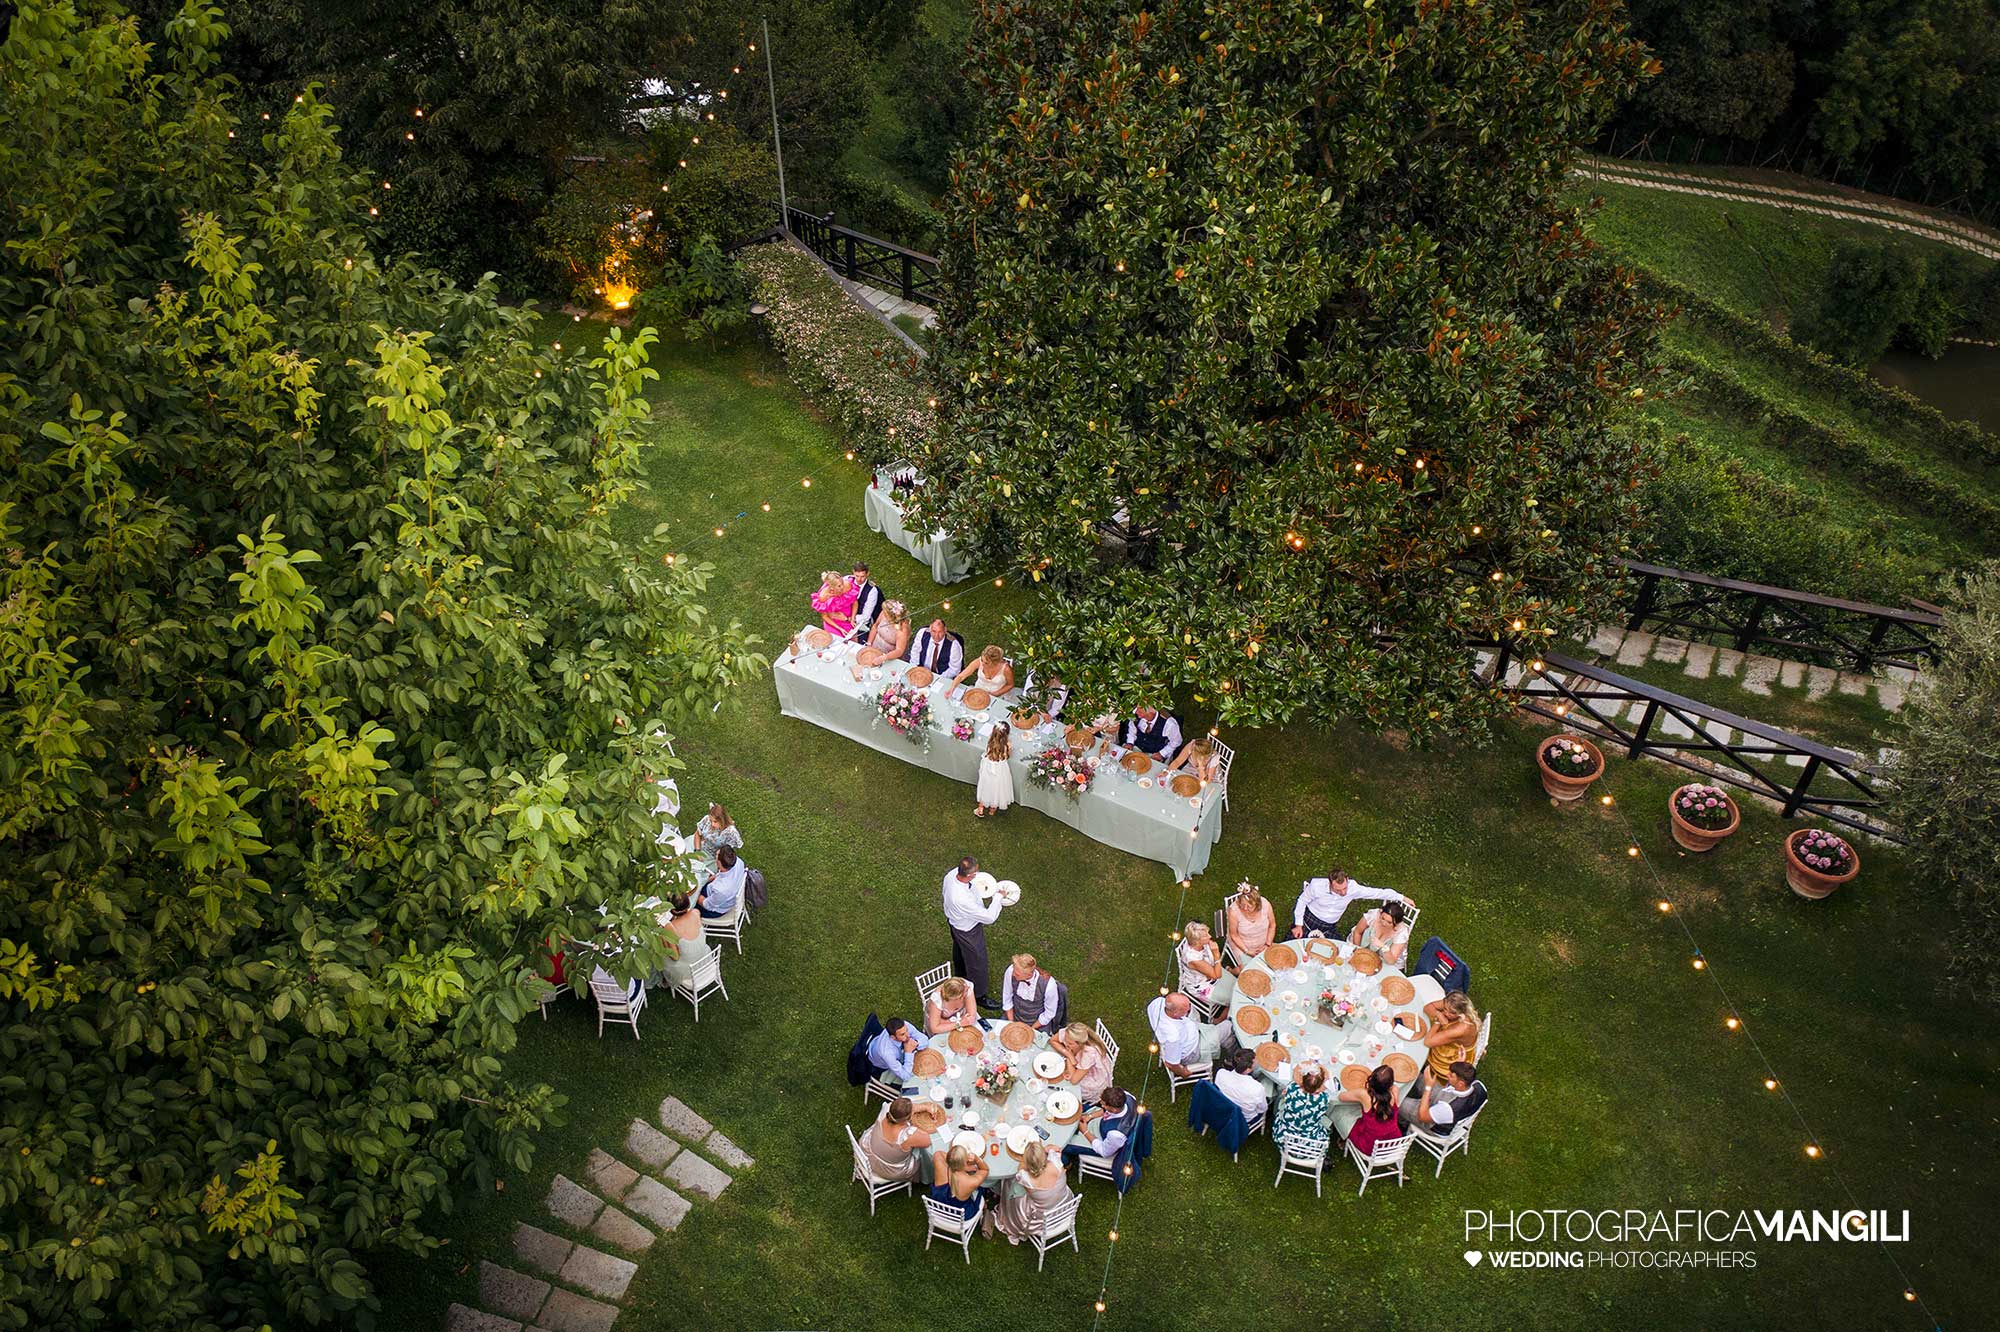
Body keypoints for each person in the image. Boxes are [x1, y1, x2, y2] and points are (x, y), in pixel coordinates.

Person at [941, 857, 1003, 1011]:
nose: (977, 875)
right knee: (978, 961)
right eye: (975, 873)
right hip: (968, 929)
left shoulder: (951, 875)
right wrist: (998, 898)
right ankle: (979, 995)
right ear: (968, 876)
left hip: (955, 922)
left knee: (959, 949)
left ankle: (960, 974)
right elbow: (989, 917)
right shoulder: (961, 899)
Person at [985, 1138, 1073, 1244]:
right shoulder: (1056, 1163)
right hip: (1063, 1202)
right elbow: (1056, 1150)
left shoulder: (1027, 1179)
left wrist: (1028, 1158)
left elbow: (1020, 1168)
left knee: (1010, 1183)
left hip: (1041, 1217)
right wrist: (1045, 1149)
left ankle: (1000, 1198)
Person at [1291, 867, 1411, 939]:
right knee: (1293, 944)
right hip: (1310, 920)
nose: (1343, 893)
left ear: (1347, 879)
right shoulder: (1316, 886)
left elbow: (1377, 893)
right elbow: (1302, 901)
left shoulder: (1353, 888)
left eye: (1345, 888)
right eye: (1338, 890)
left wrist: (1402, 898)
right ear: (1330, 883)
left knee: (1334, 953)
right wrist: (1298, 925)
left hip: (1329, 926)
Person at [1146, 992, 1227, 1077]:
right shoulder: (1173, 1036)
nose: (1188, 1009)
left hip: (1189, 1031)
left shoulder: (1157, 1003)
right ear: (1175, 1013)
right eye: (1186, 1010)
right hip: (1193, 1050)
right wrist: (1183, 1073)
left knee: (1195, 1014)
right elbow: (1171, 1064)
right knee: (1228, 1027)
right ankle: (1232, 1061)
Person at [1332, 1064, 1402, 1157]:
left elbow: (1341, 1097)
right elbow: (1393, 1087)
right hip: (1392, 1141)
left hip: (1370, 1146)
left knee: (1340, 1111)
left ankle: (1343, 1137)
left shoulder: (1365, 1095)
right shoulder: (1395, 1091)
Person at [1405, 1060, 1489, 1137]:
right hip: (1443, 1104)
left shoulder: (1448, 1108)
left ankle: (1402, 1123)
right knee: (1416, 1076)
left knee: (1400, 1103)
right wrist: (1460, 1065)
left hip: (1433, 1124)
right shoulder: (1478, 1086)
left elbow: (1422, 1116)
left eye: (1451, 1076)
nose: (1447, 1075)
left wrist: (1428, 1087)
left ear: (1460, 1084)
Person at [1060, 1085, 1137, 1168]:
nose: (1101, 1104)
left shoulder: (1116, 1135)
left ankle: (1066, 1164)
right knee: (1075, 1106)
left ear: (1114, 1109)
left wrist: (1085, 1131)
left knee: (1062, 1145)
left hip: (1101, 1140)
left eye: (1104, 1104)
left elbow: (1104, 1151)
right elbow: (1105, 1111)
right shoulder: (1127, 1097)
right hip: (1101, 1122)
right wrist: (1089, 1116)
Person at [862, 1097, 933, 1184]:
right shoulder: (906, 1135)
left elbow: (905, 1107)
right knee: (920, 1152)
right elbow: (927, 1141)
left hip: (868, 1153)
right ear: (908, 1117)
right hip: (888, 1170)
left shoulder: (888, 1109)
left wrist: (925, 1107)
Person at [1271, 1065, 1334, 1158]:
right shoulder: (1324, 1098)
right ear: (1320, 1085)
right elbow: (1322, 1112)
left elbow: (1289, 1090)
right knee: (1323, 1122)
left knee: (1282, 1104)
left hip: (1284, 1137)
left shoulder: (1292, 1087)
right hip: (1310, 1145)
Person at [653, 894, 712, 989]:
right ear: (688, 905)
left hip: (688, 968)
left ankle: (666, 981)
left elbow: (675, 957)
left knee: (658, 953)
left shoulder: (670, 927)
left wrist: (662, 936)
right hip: (702, 956)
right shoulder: (696, 913)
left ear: (670, 908)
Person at [1421, 990, 1481, 1082]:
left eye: (1451, 1013)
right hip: (1449, 1038)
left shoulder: (1460, 1029)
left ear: (1461, 1013)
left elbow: (1428, 1042)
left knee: (1420, 1040)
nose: (1446, 1013)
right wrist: (1439, 1014)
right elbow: (1427, 1007)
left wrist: (1438, 1021)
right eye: (1444, 1009)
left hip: (1452, 1056)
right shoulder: (1451, 1004)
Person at [1049, 1022, 1113, 1105]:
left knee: (1063, 1082)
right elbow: (1053, 1040)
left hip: (1093, 1078)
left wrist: (1069, 1057)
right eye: (1065, 1041)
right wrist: (1069, 1054)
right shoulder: (1069, 1033)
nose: (1066, 1044)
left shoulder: (1089, 1053)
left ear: (1080, 1043)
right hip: (1080, 1066)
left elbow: (1074, 1080)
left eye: (1070, 1044)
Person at [927, 1143, 990, 1224]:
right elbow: (985, 1170)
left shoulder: (939, 1163)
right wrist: (977, 1159)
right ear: (965, 1162)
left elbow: (938, 1153)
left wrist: (958, 1164)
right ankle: (985, 1205)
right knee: (981, 1188)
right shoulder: (970, 1182)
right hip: (959, 1215)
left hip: (938, 1207)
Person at [1177, 921, 1236, 1006]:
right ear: (1197, 941)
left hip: (1211, 971)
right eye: (1205, 936)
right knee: (1233, 998)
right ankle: (1220, 1017)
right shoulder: (1193, 959)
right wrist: (1216, 954)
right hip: (1202, 985)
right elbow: (1217, 975)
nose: (1210, 936)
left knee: (1236, 984)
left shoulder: (1194, 941)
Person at [999, 953, 1059, 1029]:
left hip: (1036, 1023)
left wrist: (1031, 1029)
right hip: (1014, 1016)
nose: (1013, 974)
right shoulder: (1011, 971)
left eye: (1017, 974)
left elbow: (1049, 1013)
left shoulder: (1049, 985)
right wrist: (1012, 1023)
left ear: (1029, 975)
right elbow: (1007, 997)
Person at [867, 1016, 931, 1088]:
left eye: (906, 1030)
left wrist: (916, 1044)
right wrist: (908, 1052)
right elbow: (906, 1076)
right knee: (918, 1080)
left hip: (881, 1043)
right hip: (881, 1064)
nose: (908, 1035)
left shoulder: (903, 1026)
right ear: (893, 1037)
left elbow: (924, 1039)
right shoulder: (887, 1053)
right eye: (902, 1034)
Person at [1348, 899, 1412, 966]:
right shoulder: (1373, 915)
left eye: (1389, 922)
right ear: (1381, 913)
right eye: (1382, 918)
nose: (1384, 923)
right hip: (1360, 948)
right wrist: (1358, 951)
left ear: (1397, 923)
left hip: (1384, 960)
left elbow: (1391, 961)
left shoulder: (1401, 932)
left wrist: (1383, 947)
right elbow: (1358, 932)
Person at [1212, 1047, 1267, 1123]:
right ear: (1247, 1069)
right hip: (1243, 1119)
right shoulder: (1257, 1088)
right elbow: (1262, 1109)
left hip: (1223, 1109)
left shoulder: (1221, 1073)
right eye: (1255, 1061)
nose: (1257, 1061)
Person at [1225, 883, 1277, 961]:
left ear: (1257, 904)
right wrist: (1247, 951)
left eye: (1249, 906)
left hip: (1264, 943)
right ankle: (1231, 970)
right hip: (1241, 946)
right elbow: (1234, 935)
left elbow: (1272, 925)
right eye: (1242, 905)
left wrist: (1267, 944)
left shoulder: (1265, 905)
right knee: (1249, 970)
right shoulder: (1234, 911)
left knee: (1275, 961)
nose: (1245, 908)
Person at [973, 726, 1016, 819]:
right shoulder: (1007, 745)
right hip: (1000, 770)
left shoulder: (990, 742)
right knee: (998, 789)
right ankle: (992, 810)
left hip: (988, 769)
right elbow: (1008, 756)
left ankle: (980, 809)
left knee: (986, 788)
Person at [696, 845, 745, 920]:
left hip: (713, 909)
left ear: (719, 863)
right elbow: (720, 876)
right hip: (721, 895)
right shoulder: (738, 862)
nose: (715, 854)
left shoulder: (721, 891)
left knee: (686, 903)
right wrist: (708, 880)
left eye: (716, 855)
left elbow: (707, 905)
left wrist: (695, 893)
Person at [1115, 704, 1182, 760]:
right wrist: (1130, 742)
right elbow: (1132, 730)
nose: (1137, 713)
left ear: (1151, 712)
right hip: (1136, 748)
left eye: (1140, 711)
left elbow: (1176, 741)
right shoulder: (1135, 714)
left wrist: (1162, 753)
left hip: (1154, 754)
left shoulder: (1169, 724)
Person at [950, 644, 1016, 699]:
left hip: (998, 694)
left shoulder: (1006, 669)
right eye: (982, 660)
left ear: (996, 663)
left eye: (986, 663)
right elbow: (961, 676)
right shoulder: (979, 662)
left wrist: (995, 694)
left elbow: (1010, 684)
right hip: (979, 690)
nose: (982, 664)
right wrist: (952, 689)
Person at [810, 570, 858, 638]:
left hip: (848, 619)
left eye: (842, 583)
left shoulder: (847, 585)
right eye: (839, 586)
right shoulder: (824, 596)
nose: (842, 587)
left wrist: (852, 618)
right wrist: (840, 629)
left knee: (855, 641)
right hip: (833, 623)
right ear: (831, 587)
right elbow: (825, 616)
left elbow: (855, 602)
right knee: (839, 643)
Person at [847, 561, 883, 638]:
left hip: (859, 623)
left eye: (862, 576)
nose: (859, 579)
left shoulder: (872, 591)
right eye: (857, 576)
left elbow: (866, 616)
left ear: (867, 574)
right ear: (853, 572)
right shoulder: (847, 579)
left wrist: (847, 618)